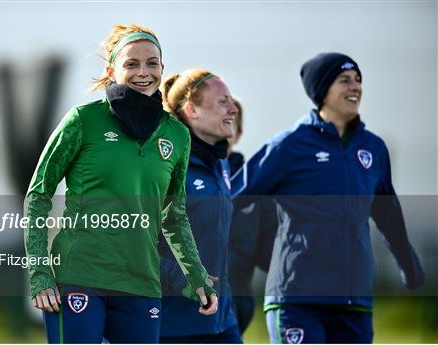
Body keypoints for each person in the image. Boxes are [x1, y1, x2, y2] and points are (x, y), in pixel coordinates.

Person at [24, 24, 217, 344]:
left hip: (141, 284)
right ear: (111, 70)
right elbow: (38, 195)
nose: (143, 72)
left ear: (162, 69)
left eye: (151, 63)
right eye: (131, 64)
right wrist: (40, 273)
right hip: (78, 278)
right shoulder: (83, 120)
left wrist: (195, 274)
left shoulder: (177, 135)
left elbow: (174, 214)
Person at [231, 52, 425, 343]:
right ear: (322, 91)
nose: (355, 87)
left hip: (353, 303)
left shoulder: (373, 148)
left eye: (358, 80)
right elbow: (233, 196)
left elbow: (388, 215)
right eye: (344, 80)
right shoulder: (289, 146)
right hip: (297, 300)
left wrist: (409, 265)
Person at [158, 69, 242, 343]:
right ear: (192, 110)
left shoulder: (221, 165)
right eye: (222, 101)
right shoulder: (166, 167)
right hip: (172, 326)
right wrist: (184, 277)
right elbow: (131, 244)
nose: (233, 108)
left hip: (221, 322)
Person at [227, 100, 277, 335]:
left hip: (236, 308)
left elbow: (272, 257)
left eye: (229, 123)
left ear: (238, 134)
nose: (221, 128)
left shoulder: (257, 188)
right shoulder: (175, 177)